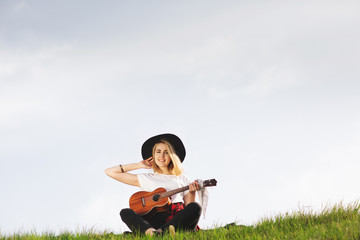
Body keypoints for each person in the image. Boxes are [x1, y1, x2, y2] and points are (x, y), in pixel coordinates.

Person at [105, 133, 202, 236]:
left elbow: (188, 209)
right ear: (153, 155)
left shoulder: (182, 178)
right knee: (125, 212)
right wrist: (138, 165)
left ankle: (159, 233)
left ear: (172, 156)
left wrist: (192, 192)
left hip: (175, 220)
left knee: (195, 207)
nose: (161, 156)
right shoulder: (146, 178)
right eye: (158, 152)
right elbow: (110, 172)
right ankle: (152, 233)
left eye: (166, 152)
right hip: (154, 220)